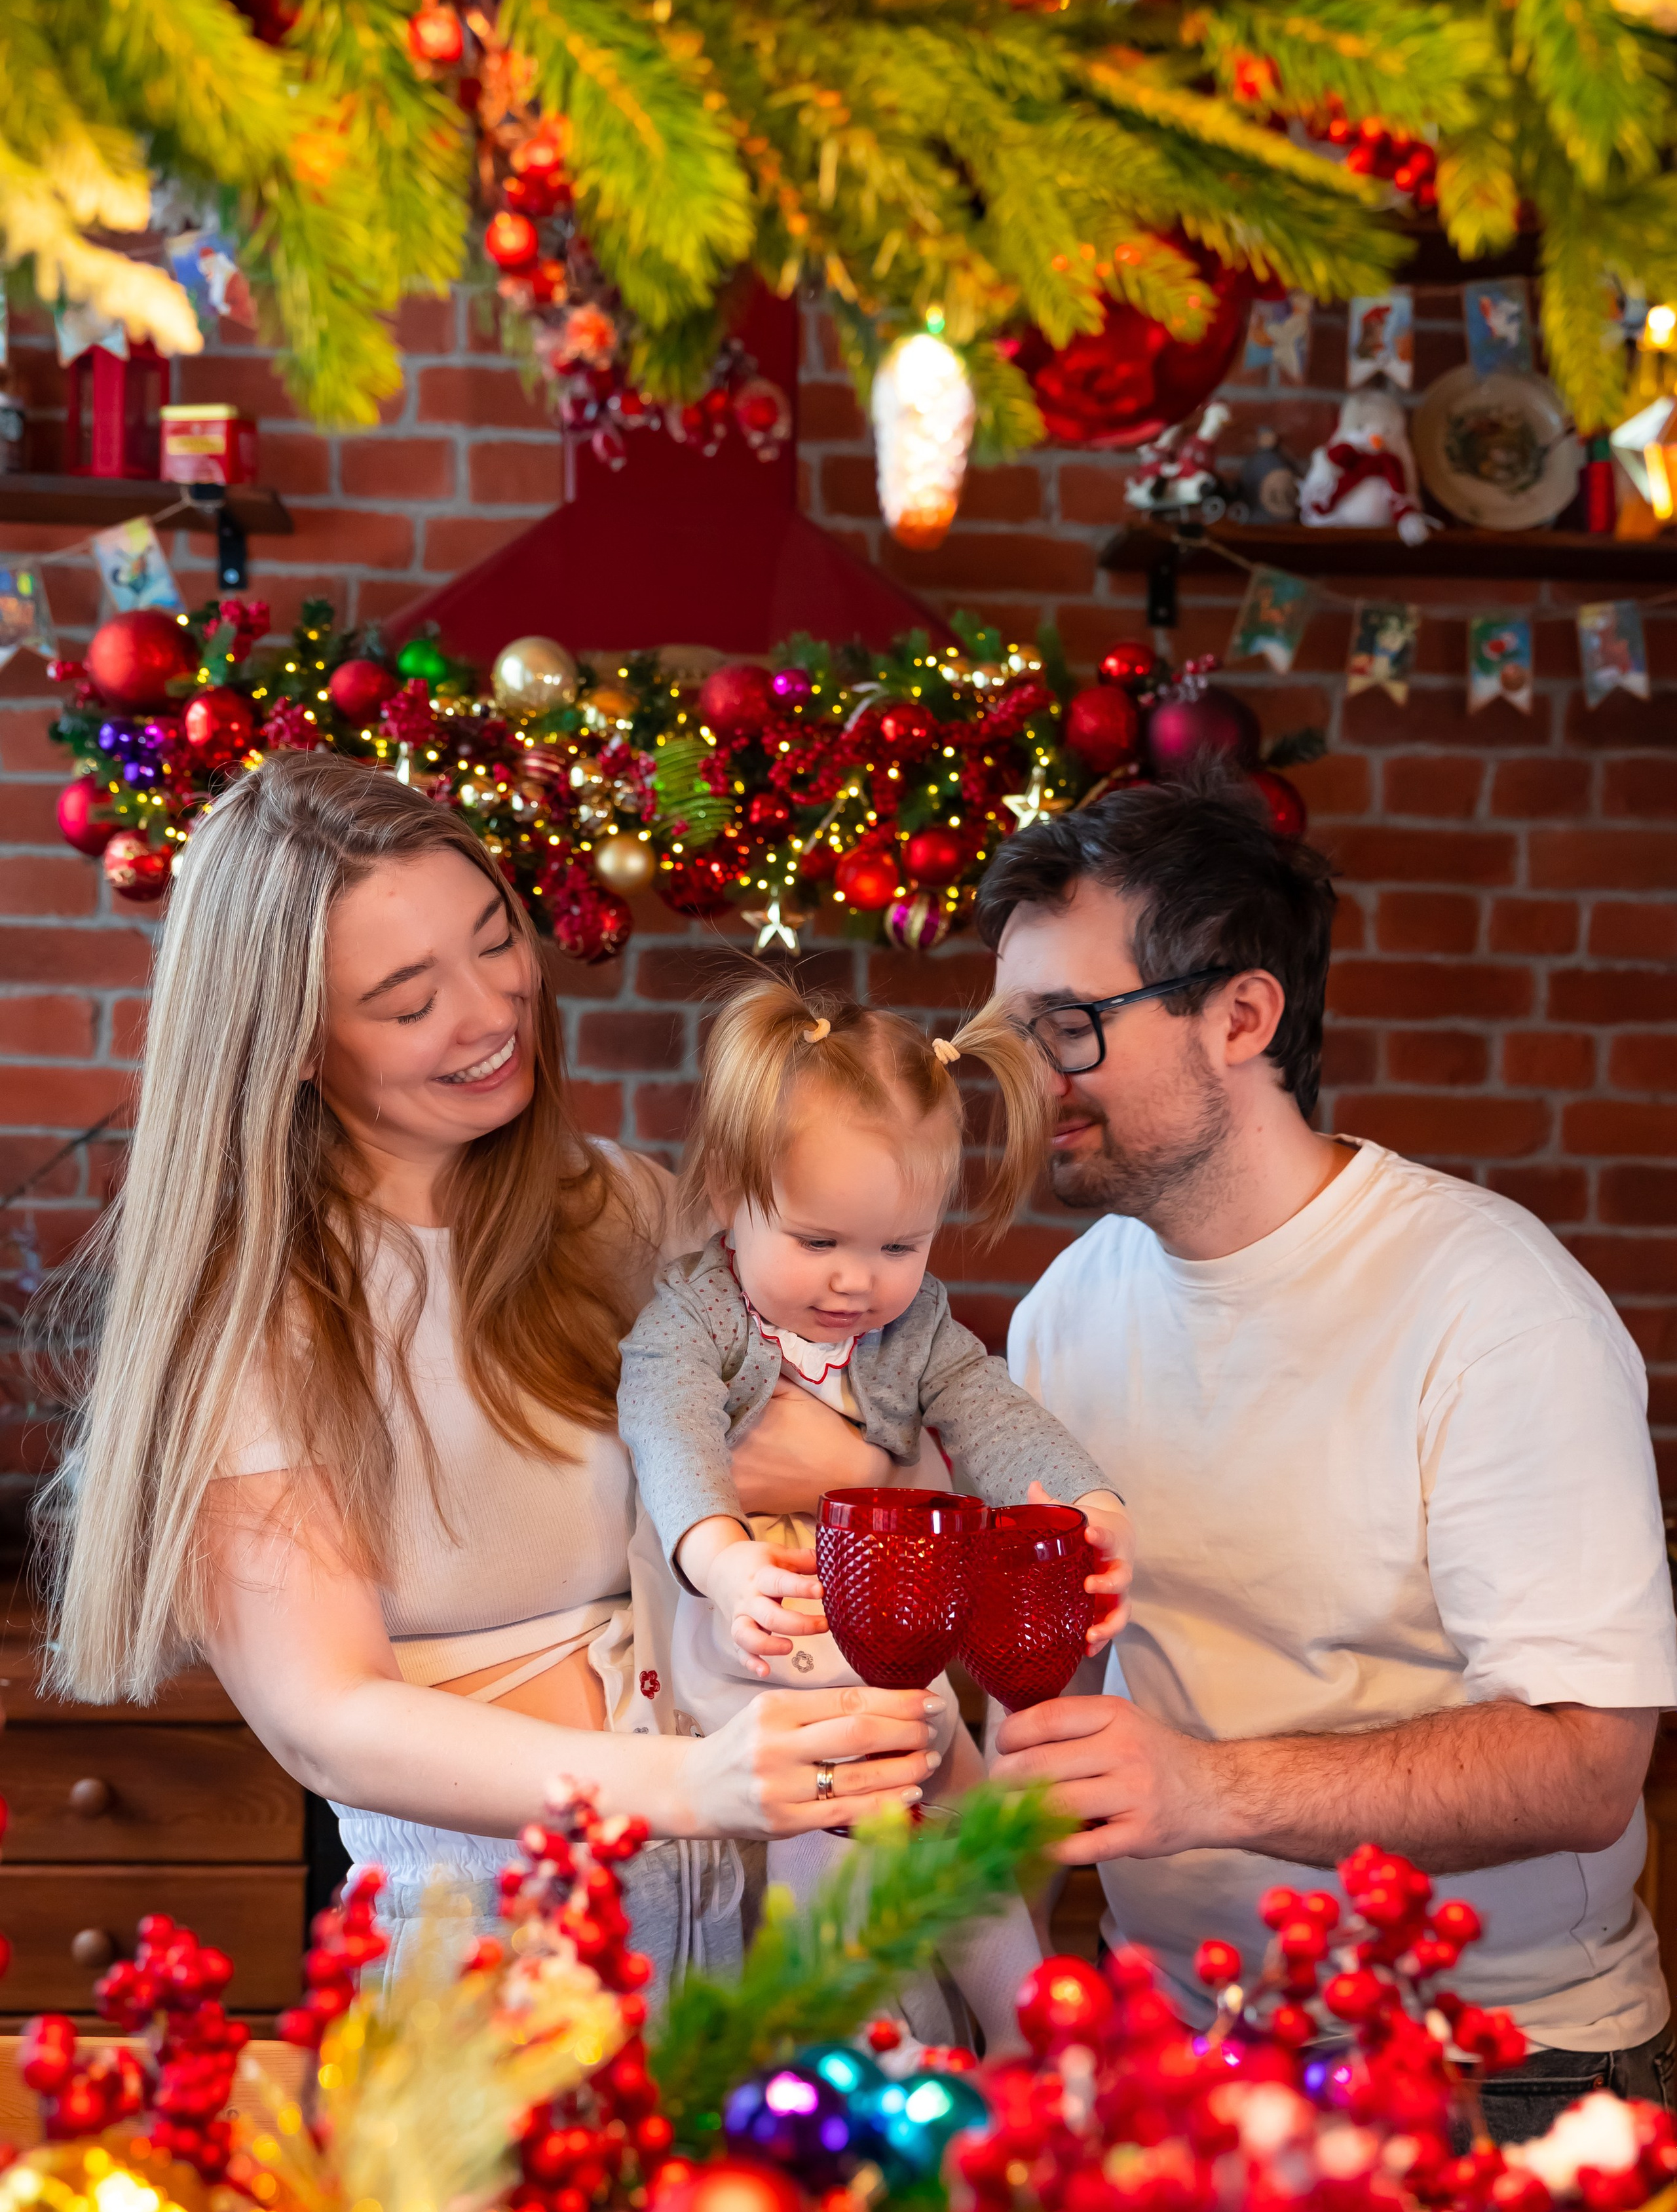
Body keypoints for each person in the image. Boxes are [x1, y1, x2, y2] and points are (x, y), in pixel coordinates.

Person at [38, 754, 941, 1987]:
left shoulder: (627, 1210)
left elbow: (871, 1439)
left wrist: (839, 1459)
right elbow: (332, 1719)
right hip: (490, 1961)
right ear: (293, 1045)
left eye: (493, 941)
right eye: (408, 1001)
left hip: (762, 1933)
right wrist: (688, 1781)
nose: (491, 1012)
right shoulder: (257, 1318)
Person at [980, 771, 1677, 2141]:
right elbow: (1045, 1707)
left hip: (1494, 2070)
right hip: (1168, 2042)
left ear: (1240, 1016)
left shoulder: (1487, 1300)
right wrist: (998, 2008)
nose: (1026, 1079)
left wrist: (1202, 1789)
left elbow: (1588, 1764)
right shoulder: (1065, 1309)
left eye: (1065, 1027)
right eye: (1007, 1034)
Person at [618, 973, 1132, 2046]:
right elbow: (668, 1432)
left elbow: (989, 1407)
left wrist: (1087, 1502)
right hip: (768, 1636)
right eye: (818, 1242)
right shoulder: (695, 1318)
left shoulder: (915, 1330)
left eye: (898, 1249)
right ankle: (847, 2044)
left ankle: (1028, 2032)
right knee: (831, 1823)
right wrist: (718, 1560)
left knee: (959, 1815)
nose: (858, 1282)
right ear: (727, 1197)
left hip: (890, 1649)